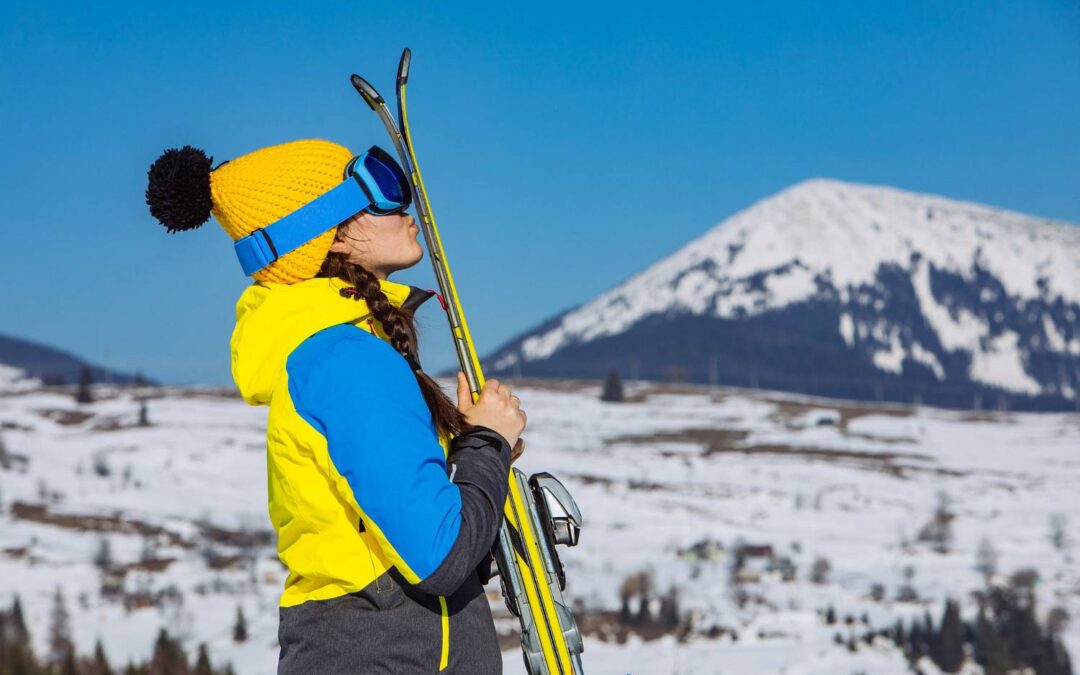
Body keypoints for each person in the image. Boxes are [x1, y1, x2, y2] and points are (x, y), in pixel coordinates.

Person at [146, 138, 526, 673]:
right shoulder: (348, 364)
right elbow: (440, 557)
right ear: (331, 234)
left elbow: (411, 540)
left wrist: (472, 451)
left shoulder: (335, 359)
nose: (406, 208)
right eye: (381, 189)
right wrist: (489, 446)